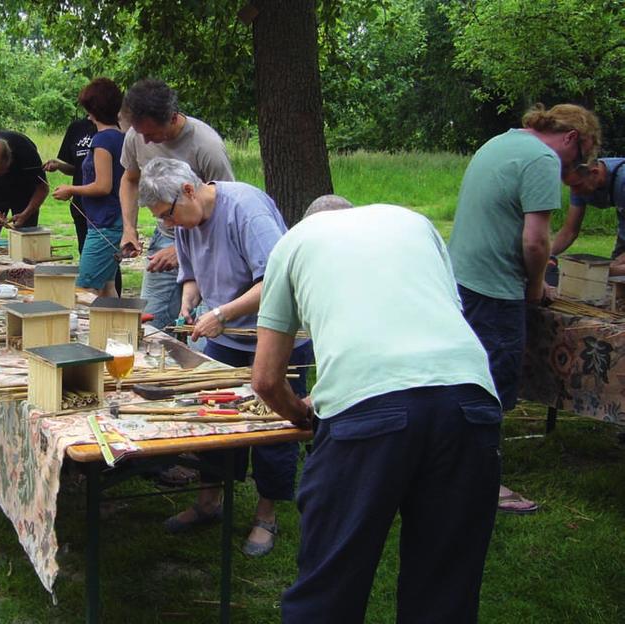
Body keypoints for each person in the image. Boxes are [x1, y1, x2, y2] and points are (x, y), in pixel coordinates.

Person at [254, 196, 503, 623]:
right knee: (446, 588)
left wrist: (302, 414)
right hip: (468, 398)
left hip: (368, 413)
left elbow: (265, 379)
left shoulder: (294, 241)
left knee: (329, 586)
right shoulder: (415, 222)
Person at [137, 157, 308, 556]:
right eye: (161, 219)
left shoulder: (246, 210)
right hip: (227, 338)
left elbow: (276, 282)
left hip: (277, 334)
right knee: (215, 418)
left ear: (189, 190)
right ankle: (209, 501)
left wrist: (222, 313)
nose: (169, 224)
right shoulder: (181, 220)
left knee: (273, 425)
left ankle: (266, 516)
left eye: (168, 214)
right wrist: (189, 302)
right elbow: (192, 273)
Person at [448, 103, 601, 514]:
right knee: (491, 387)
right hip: (495, 290)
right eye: (580, 152)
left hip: (461, 279)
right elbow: (535, 242)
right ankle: (482, 484)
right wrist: (535, 285)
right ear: (570, 136)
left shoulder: (501, 142)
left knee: (463, 378)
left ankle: (449, 467)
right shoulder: (542, 160)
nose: (577, 164)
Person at [118, 78, 234, 330]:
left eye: (151, 133)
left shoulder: (207, 146)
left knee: (203, 329)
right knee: (149, 322)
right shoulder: (136, 135)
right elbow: (130, 179)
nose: (145, 141)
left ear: (172, 118)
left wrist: (182, 250)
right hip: (164, 237)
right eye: (140, 133)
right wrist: (129, 228)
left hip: (208, 245)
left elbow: (225, 208)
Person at [52, 78, 125, 297]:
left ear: (94, 109)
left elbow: (103, 186)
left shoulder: (102, 141)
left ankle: (92, 331)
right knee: (107, 287)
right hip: (113, 221)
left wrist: (71, 190)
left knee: (85, 290)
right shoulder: (120, 137)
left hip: (104, 224)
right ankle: (117, 330)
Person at [551, 157, 625, 273]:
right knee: (606, 277)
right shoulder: (580, 183)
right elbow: (569, 231)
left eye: (577, 186)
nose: (574, 192)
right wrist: (547, 255)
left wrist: (616, 264)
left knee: (611, 273)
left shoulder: (622, 179)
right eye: (570, 186)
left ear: (595, 173)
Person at [46, 117, 95, 251]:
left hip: (103, 208)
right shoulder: (76, 128)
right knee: (84, 251)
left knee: (104, 258)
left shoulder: (114, 128)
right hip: (80, 205)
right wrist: (59, 166)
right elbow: (76, 168)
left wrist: (71, 190)